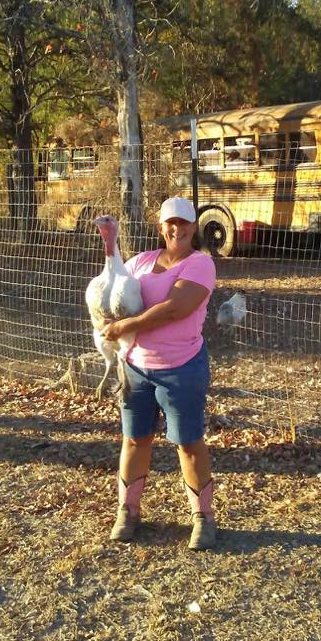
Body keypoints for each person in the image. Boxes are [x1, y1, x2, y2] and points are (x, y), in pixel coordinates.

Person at [101, 196, 217, 551]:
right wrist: (106, 321)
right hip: (135, 366)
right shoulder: (140, 261)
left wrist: (125, 325)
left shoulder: (200, 265)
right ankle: (128, 510)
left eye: (183, 223)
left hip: (181, 368)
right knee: (134, 440)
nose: (176, 229)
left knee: (187, 443)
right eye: (170, 222)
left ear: (194, 227)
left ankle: (203, 518)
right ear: (161, 226)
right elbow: (112, 291)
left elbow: (175, 309)